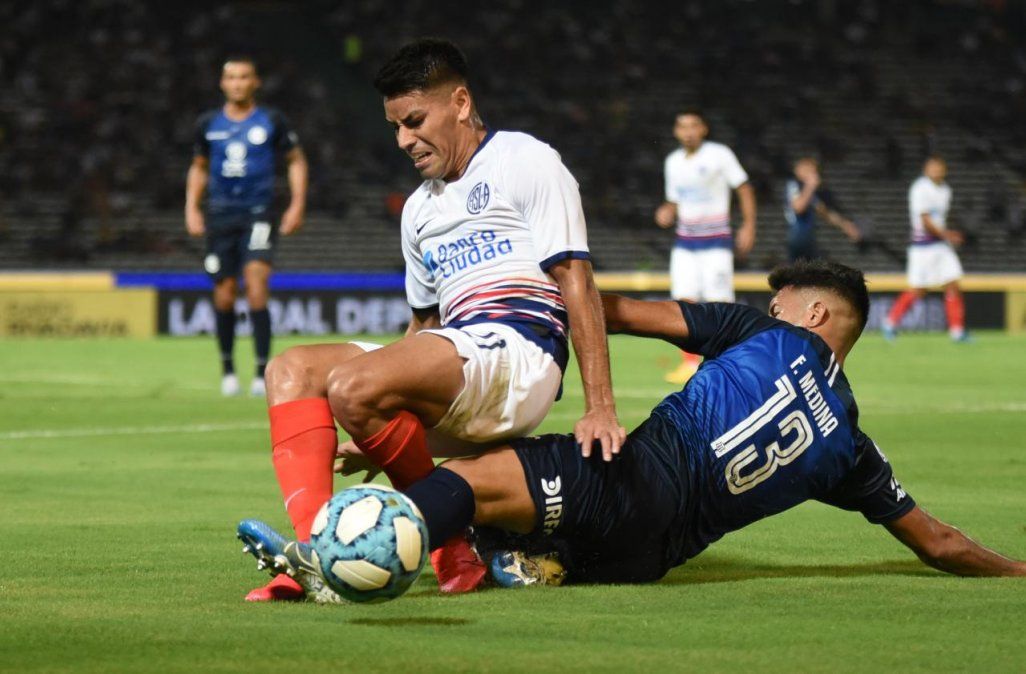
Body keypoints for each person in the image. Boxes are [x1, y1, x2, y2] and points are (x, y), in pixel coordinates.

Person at [240, 260, 1024, 598]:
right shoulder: (854, 447)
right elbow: (941, 544)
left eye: (787, 301)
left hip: (625, 478)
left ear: (815, 315)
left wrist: (534, 288)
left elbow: (616, 313)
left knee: (464, 483)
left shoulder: (761, 331)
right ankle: (529, 560)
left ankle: (336, 563)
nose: (775, 306)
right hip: (648, 560)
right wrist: (1019, 572)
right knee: (499, 489)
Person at [242, 39, 624, 602]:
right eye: (395, 126)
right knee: (291, 370)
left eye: (414, 121)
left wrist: (601, 406)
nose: (403, 140)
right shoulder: (419, 208)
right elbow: (421, 329)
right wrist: (379, 417)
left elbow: (577, 282)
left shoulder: (524, 159)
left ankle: (447, 546)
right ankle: (317, 560)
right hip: (457, 353)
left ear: (461, 103)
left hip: (519, 352)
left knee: (353, 386)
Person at [185, 56, 308, 397]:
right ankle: (227, 369)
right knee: (223, 294)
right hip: (220, 214)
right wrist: (192, 208)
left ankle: (260, 372)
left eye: (244, 77)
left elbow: (296, 160)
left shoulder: (271, 120)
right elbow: (198, 167)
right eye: (231, 78)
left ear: (255, 82)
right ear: (223, 84)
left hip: (258, 211)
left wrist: (297, 204)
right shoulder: (208, 123)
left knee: (256, 282)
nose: (238, 83)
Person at [654, 109, 757, 385]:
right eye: (682, 126)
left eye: (693, 125)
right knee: (683, 304)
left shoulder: (719, 154)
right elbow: (675, 200)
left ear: (704, 129)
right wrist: (667, 210)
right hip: (685, 242)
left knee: (719, 303)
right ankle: (689, 363)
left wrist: (748, 225)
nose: (688, 131)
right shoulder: (673, 161)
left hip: (716, 242)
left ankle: (727, 361)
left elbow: (744, 188)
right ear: (676, 131)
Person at [882, 156, 968, 342]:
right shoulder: (920, 188)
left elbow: (939, 218)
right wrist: (948, 234)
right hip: (922, 246)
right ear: (926, 169)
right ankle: (890, 322)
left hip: (940, 245)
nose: (936, 170)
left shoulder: (945, 189)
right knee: (918, 290)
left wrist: (946, 235)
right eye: (932, 167)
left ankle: (957, 331)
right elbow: (925, 220)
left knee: (953, 283)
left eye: (939, 167)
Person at [784, 157, 862, 262]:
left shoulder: (809, 193)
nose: (813, 175)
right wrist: (810, 186)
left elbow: (824, 212)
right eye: (810, 171)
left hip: (808, 236)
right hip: (797, 234)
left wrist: (846, 225)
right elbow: (798, 207)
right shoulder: (793, 185)